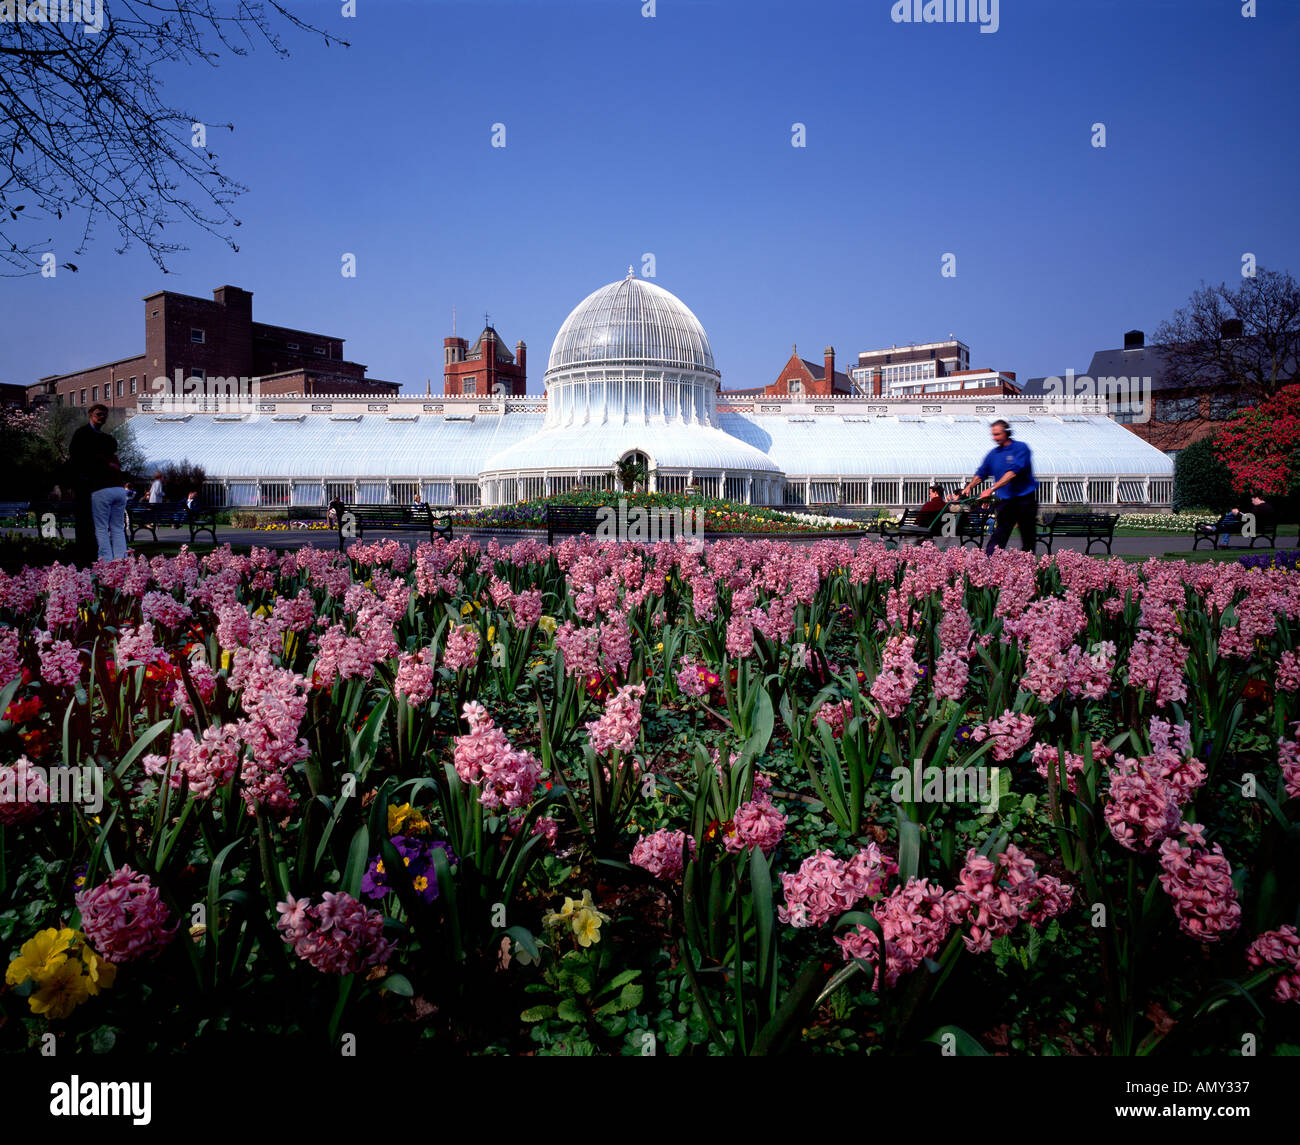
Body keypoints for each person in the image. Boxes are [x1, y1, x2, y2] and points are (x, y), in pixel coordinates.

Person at [951, 419, 1038, 555]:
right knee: (1000, 533)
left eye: (997, 434)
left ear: (1007, 433)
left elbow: (1013, 472)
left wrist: (991, 489)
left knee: (1027, 535)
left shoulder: (1021, 448)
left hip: (1024, 499)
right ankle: (990, 561)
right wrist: (969, 487)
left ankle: (1028, 564)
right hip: (1006, 501)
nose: (994, 438)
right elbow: (982, 473)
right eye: (993, 435)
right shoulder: (993, 454)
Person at [69, 404, 127, 564]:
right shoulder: (86, 436)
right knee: (112, 526)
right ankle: (117, 558)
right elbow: (77, 460)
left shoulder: (101, 440)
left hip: (98, 487)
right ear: (90, 414)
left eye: (104, 415)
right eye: (99, 414)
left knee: (99, 527)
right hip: (97, 487)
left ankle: (106, 560)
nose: (102, 417)